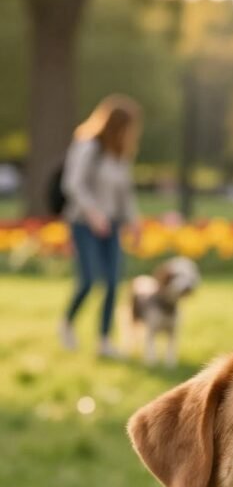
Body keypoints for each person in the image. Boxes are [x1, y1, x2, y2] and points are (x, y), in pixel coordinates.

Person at [59, 95, 142, 357]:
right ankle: (67, 323)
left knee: (113, 282)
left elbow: (125, 194)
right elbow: (72, 184)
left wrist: (134, 223)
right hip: (84, 223)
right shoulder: (88, 146)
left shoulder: (118, 154)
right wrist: (93, 214)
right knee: (89, 280)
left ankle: (104, 341)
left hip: (112, 225)